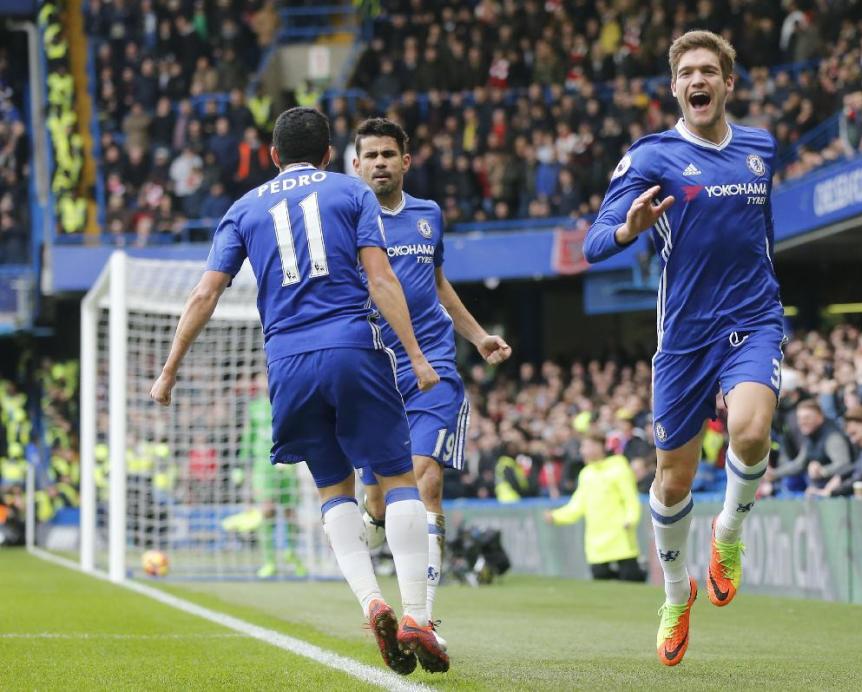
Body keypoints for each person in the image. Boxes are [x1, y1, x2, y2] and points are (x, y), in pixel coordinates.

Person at [149, 107, 448, 675]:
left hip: (286, 362)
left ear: (272, 156)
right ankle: (415, 614)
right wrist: (415, 356)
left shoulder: (242, 209)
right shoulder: (350, 194)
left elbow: (205, 295)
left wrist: (168, 371)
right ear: (333, 154)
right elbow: (381, 278)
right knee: (398, 480)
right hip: (352, 349)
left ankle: (371, 602)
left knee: (333, 490)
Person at [583, 30, 785, 666]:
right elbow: (593, 244)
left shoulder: (761, 148)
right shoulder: (651, 156)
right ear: (674, 88)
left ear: (728, 82)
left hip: (754, 319)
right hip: (684, 340)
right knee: (672, 482)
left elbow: (763, 233)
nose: (698, 80)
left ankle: (728, 532)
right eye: (686, 72)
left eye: (709, 70)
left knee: (750, 434)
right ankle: (676, 593)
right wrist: (628, 227)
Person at [351, 117, 512, 643]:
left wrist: (478, 335)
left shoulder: (428, 215)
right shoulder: (347, 219)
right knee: (379, 501)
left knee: (426, 480)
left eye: (387, 154)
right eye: (370, 155)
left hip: (435, 367)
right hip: (376, 370)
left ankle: (421, 617)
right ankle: (371, 517)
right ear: (355, 165)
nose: (379, 163)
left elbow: (438, 283)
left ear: (405, 161)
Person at [544, 430, 646, 582]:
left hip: (620, 536)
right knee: (600, 578)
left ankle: (641, 573)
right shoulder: (586, 474)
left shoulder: (619, 468)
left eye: (586, 446)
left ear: (599, 447)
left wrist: (631, 519)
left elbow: (631, 499)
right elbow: (577, 505)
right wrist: (556, 516)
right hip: (596, 542)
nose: (582, 451)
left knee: (631, 579)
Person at [240, 372, 306, 579]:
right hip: (263, 465)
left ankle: (292, 554)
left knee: (290, 512)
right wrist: (241, 466)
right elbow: (248, 437)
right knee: (266, 510)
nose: (265, 383)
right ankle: (269, 561)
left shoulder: (288, 402)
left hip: (288, 462)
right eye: (261, 379)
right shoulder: (254, 408)